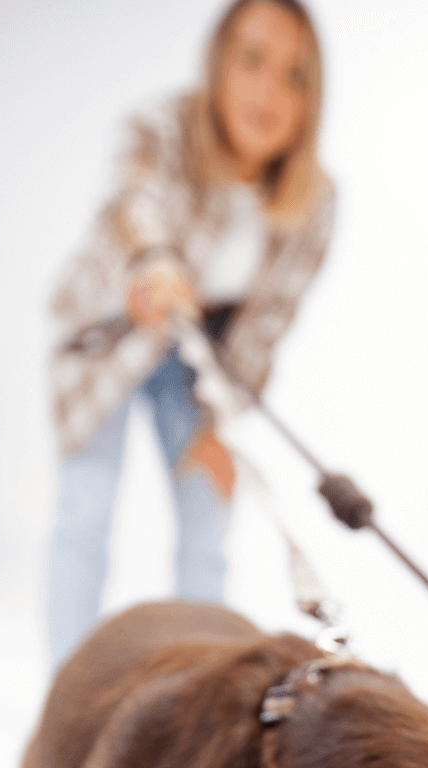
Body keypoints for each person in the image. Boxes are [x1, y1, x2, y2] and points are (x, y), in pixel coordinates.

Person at [46, 0, 335, 665]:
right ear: (219, 63)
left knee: (210, 519)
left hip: (201, 365)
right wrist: (154, 260)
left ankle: (201, 693)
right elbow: (134, 204)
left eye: (292, 75)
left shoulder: (314, 202)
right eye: (251, 61)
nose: (267, 91)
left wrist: (220, 426)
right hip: (109, 341)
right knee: (85, 512)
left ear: (309, 97)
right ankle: (65, 693)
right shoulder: (159, 128)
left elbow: (266, 328)